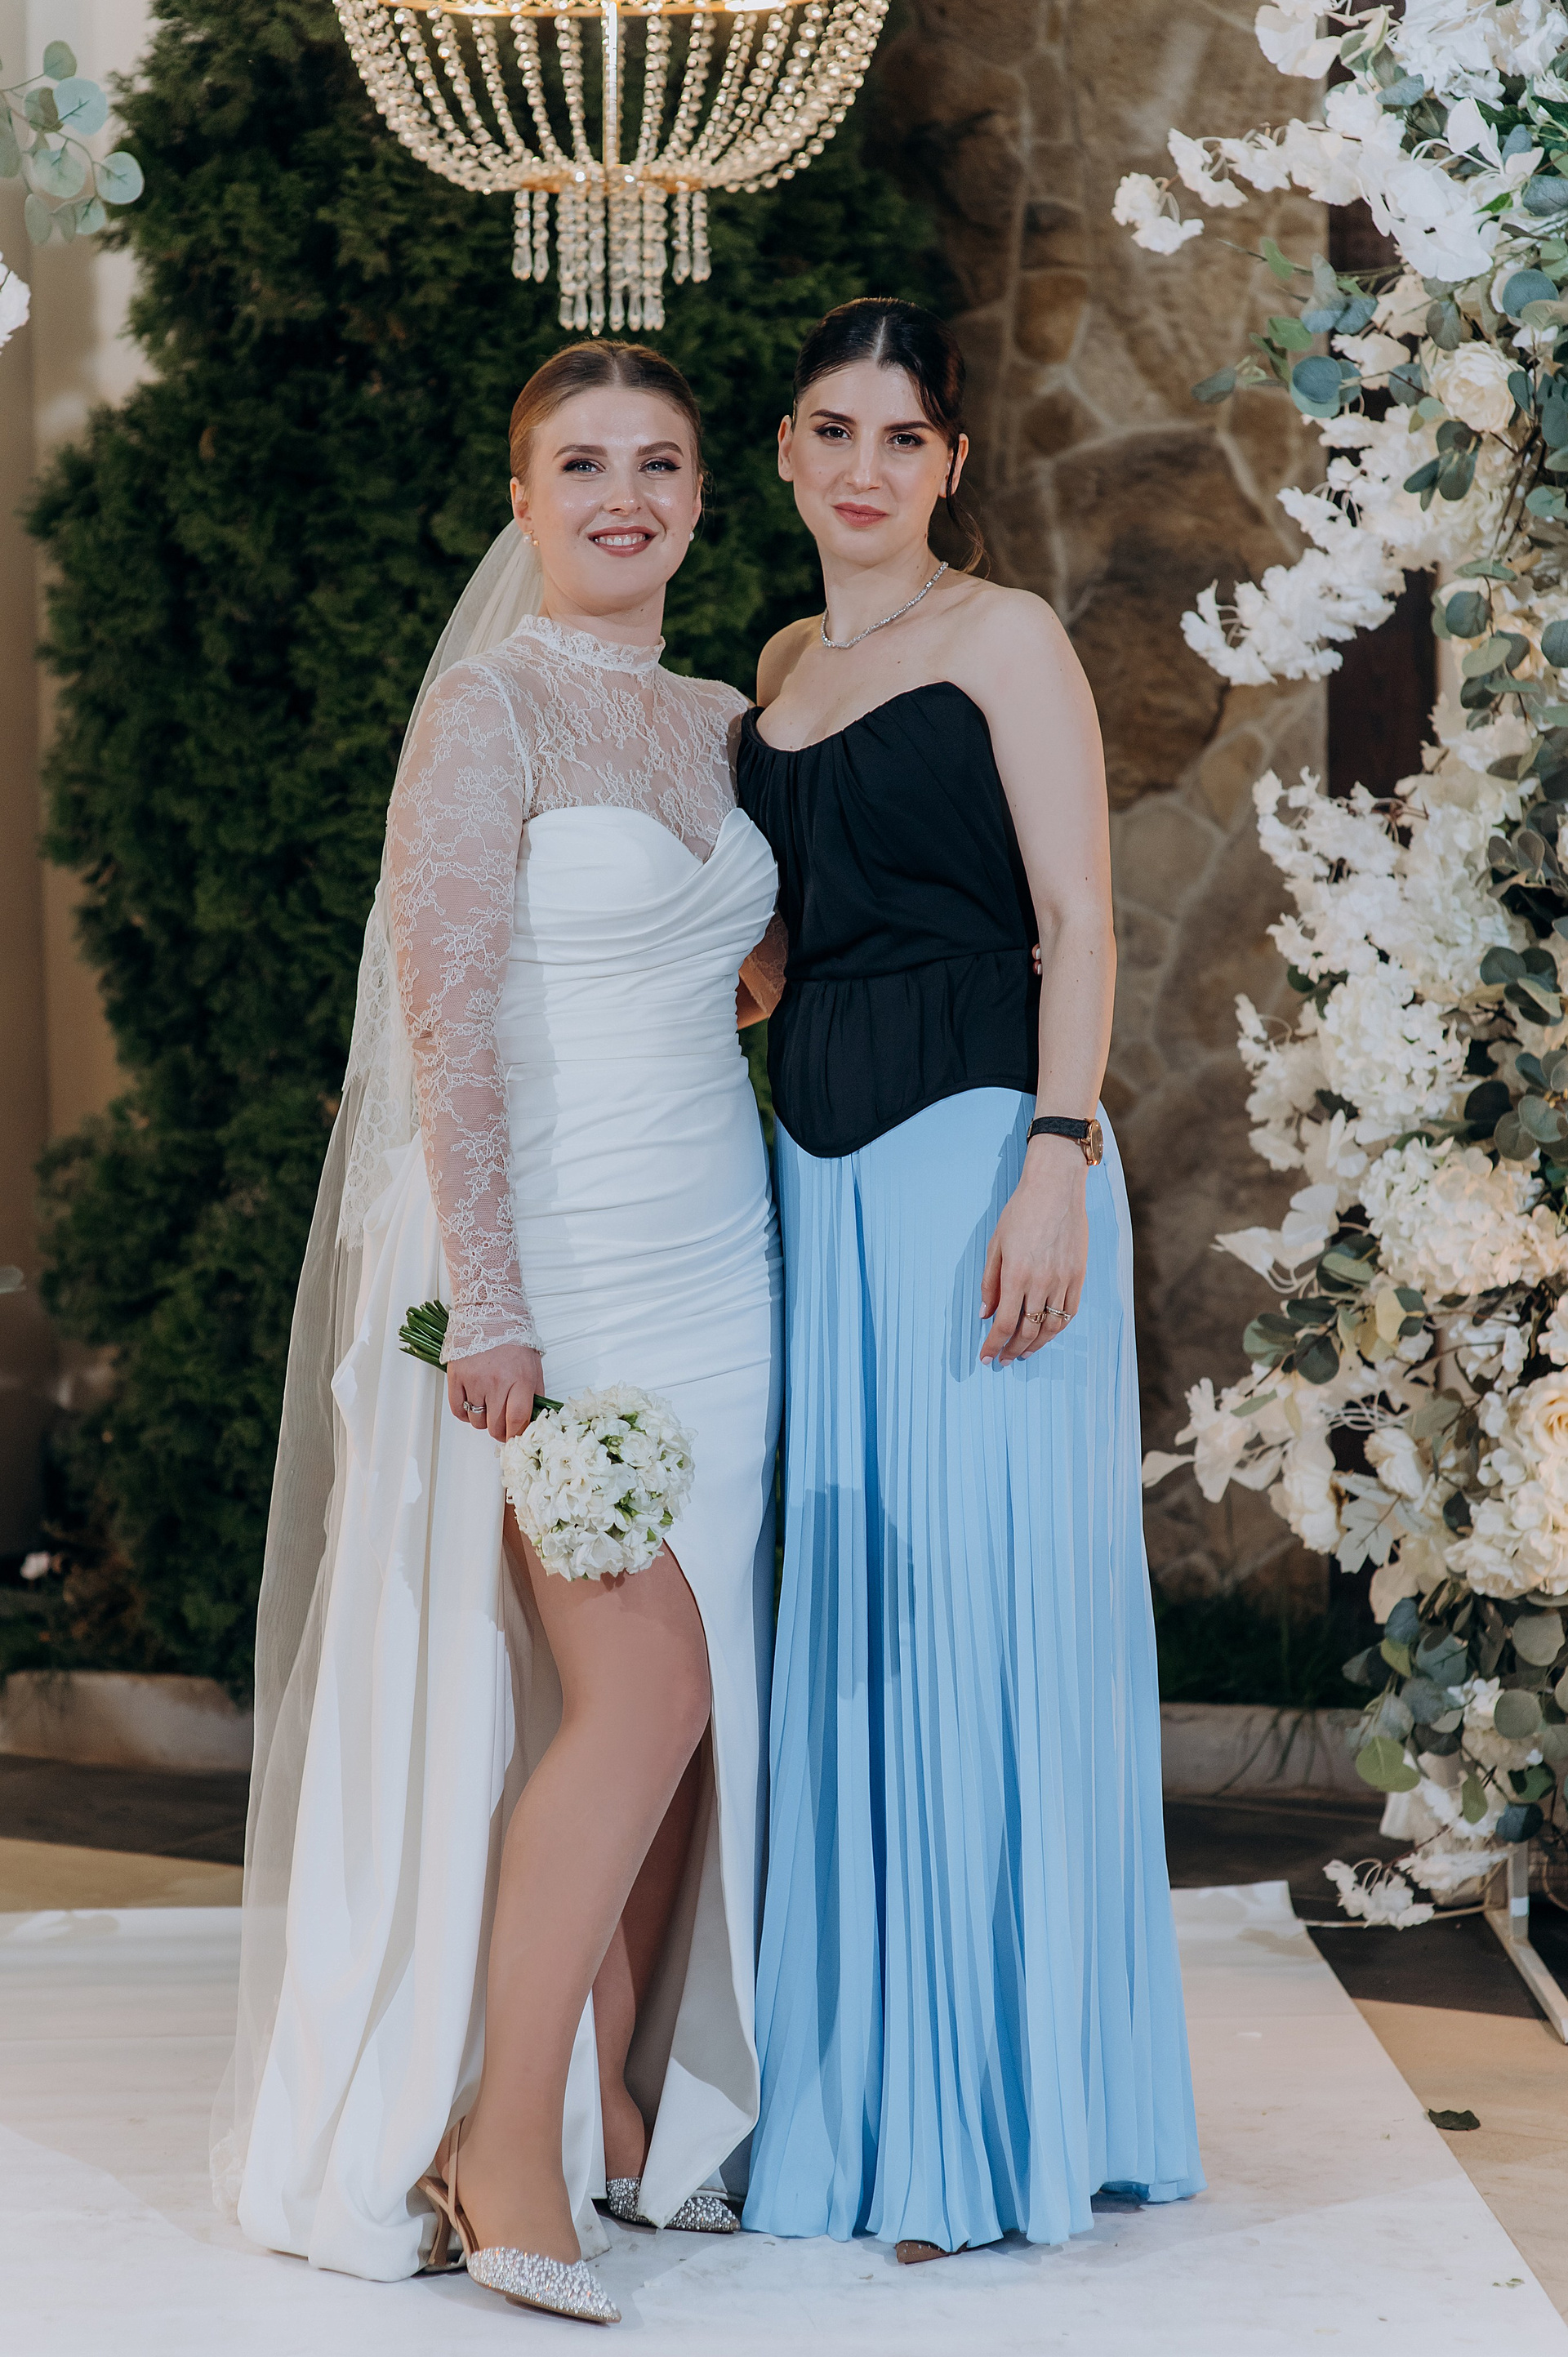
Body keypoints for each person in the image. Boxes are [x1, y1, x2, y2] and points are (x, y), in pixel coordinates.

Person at [215, 343, 783, 2326]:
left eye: (660, 462)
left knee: (684, 1725)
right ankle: (498, 2133)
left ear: (701, 495)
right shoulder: (488, 709)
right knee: (639, 1689)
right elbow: (446, 1019)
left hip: (723, 1257)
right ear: (522, 498)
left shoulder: (727, 723)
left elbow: (756, 968)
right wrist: (498, 1302)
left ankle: (624, 2106)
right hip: (560, 1261)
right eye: (583, 464)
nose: (625, 496)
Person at [735, 297, 1203, 2260]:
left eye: (902, 437)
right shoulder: (778, 667)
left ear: (950, 465)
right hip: (814, 1177)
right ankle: (856, 2098)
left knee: (970, 1619)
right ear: (786, 450)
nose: (865, 467)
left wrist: (1057, 1159)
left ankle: (981, 2125)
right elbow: (788, 939)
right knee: (854, 1625)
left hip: (978, 1166)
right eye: (833, 430)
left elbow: (1080, 919)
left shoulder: (1004, 640)